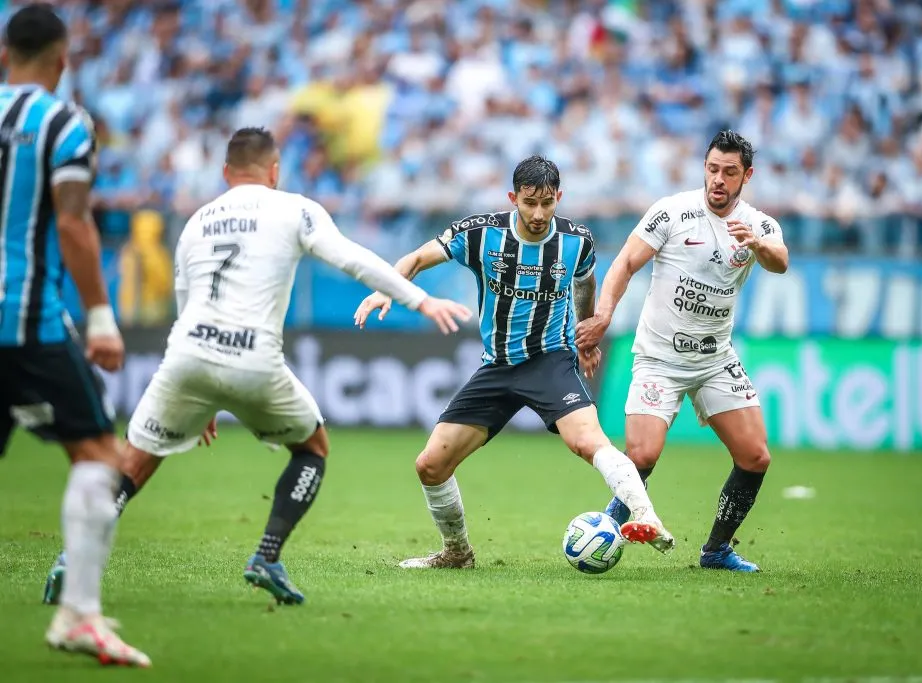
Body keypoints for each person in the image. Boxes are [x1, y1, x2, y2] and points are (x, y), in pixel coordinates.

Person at [43, 127, 471, 605]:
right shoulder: (294, 208)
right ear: (274, 170)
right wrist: (420, 299)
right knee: (312, 448)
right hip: (251, 356)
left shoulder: (196, 222)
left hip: (186, 356)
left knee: (136, 459)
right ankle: (266, 555)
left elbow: (184, 308)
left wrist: (201, 401)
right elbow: (352, 260)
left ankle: (73, 557)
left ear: (226, 172)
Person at [355, 155, 675, 569]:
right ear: (513, 198)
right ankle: (457, 553)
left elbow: (585, 282)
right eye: (529, 203)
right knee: (430, 465)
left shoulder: (576, 241)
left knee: (588, 442)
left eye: (547, 203)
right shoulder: (480, 234)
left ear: (559, 197)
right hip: (498, 366)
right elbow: (415, 259)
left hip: (550, 361)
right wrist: (387, 289)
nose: (539, 213)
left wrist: (586, 336)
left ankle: (647, 516)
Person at [0, 4, 150, 667]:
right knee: (96, 453)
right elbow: (72, 222)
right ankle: (79, 616)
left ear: (5, 54)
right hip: (24, 315)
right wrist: (98, 315)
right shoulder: (64, 121)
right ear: (62, 62)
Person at [576, 131, 789, 573]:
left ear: (746, 176)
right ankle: (610, 526)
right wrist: (603, 316)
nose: (718, 179)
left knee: (755, 457)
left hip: (715, 360)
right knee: (642, 456)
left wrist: (757, 243)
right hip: (660, 358)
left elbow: (780, 260)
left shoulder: (759, 225)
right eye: (712, 169)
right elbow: (626, 263)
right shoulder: (672, 211)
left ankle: (715, 551)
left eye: (730, 173)